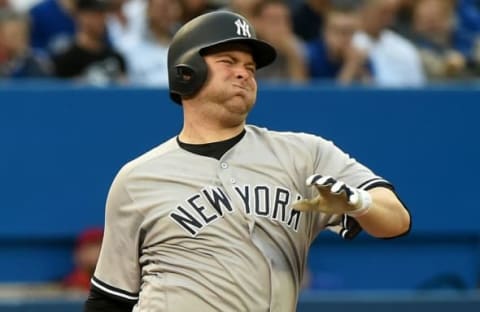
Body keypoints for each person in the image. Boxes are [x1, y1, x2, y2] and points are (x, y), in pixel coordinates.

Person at [84, 10, 411, 312]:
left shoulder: (303, 155)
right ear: (186, 72)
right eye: (229, 61)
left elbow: (397, 220)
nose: (244, 73)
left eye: (251, 67)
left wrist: (361, 202)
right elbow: (110, 299)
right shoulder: (138, 179)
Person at [52, 0, 127, 84]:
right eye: (96, 14)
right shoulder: (65, 61)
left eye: (104, 14)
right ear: (80, 16)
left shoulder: (116, 58)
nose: (102, 19)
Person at [62, 227, 103, 292]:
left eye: (98, 249)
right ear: (77, 254)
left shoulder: (117, 284)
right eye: (89, 249)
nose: (93, 254)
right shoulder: (69, 284)